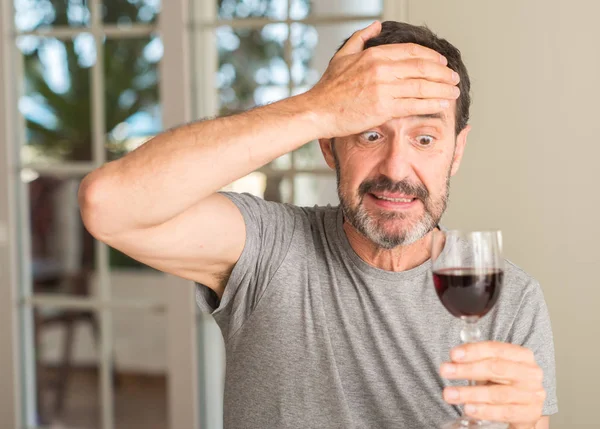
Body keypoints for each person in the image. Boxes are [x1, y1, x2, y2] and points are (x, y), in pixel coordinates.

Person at [79, 21, 557, 429]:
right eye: (370, 133)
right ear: (329, 145)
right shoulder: (268, 247)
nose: (396, 167)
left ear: (457, 151)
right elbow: (108, 203)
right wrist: (316, 107)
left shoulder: (512, 299)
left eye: (425, 137)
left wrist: (529, 423)